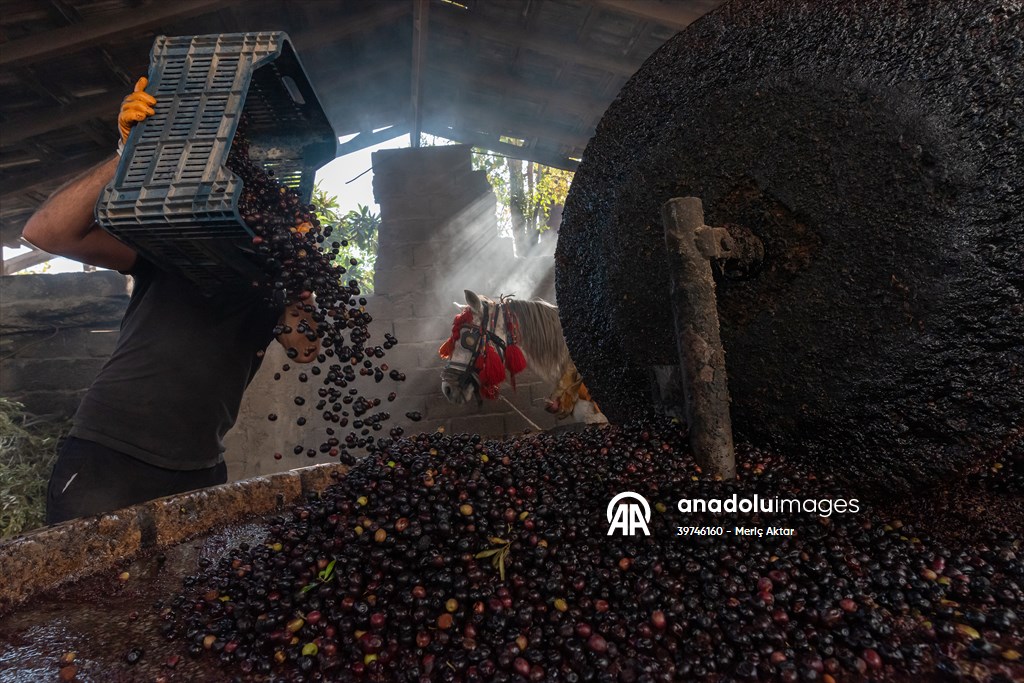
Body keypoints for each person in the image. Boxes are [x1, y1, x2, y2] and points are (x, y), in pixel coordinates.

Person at [22, 78, 318, 523]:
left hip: (200, 464)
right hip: (112, 452)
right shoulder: (173, 248)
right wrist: (127, 151)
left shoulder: (273, 283)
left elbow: (304, 349)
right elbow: (45, 233)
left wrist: (302, 279)